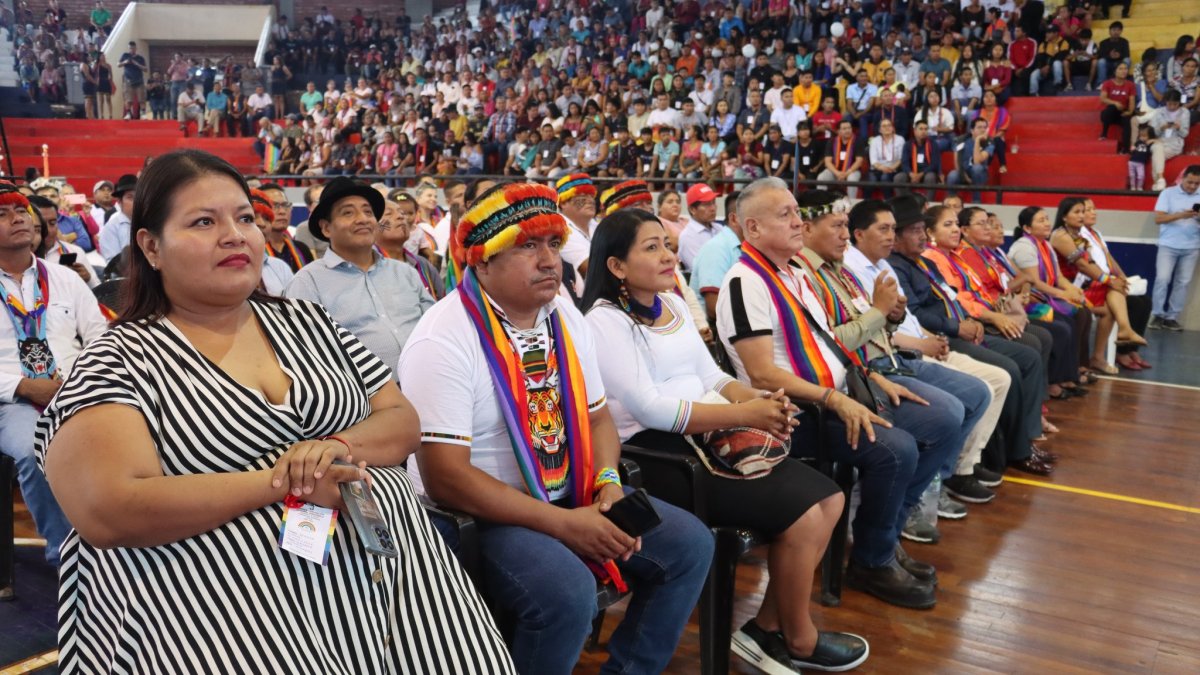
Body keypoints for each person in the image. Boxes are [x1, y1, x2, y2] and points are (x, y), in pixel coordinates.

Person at [36, 150, 513, 672]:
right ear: (150, 246)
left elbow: (401, 419)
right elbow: (110, 508)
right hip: (220, 605)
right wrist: (286, 481)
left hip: (390, 579)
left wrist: (336, 448)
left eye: (244, 218)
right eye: (203, 222)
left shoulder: (309, 322)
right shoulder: (121, 357)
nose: (235, 235)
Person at [398, 182, 713, 673]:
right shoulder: (443, 338)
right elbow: (447, 479)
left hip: (575, 487)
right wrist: (566, 525)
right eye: (528, 246)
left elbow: (598, 417)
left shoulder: (562, 311)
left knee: (691, 544)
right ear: (482, 261)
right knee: (566, 592)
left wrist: (608, 483)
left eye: (553, 244)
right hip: (482, 514)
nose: (550, 261)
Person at [581, 208, 869, 673]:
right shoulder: (605, 321)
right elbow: (652, 408)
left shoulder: (671, 302)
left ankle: (767, 628)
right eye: (650, 247)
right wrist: (744, 413)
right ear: (616, 266)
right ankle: (797, 636)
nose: (666, 256)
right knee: (802, 515)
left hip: (711, 434)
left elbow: (711, 374)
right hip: (660, 456)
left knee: (830, 500)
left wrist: (759, 400)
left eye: (667, 245)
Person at [716, 178, 941, 610]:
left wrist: (870, 380)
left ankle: (886, 540)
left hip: (833, 395)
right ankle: (872, 561)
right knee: (895, 450)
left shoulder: (795, 274)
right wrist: (834, 399)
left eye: (797, 212)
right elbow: (762, 375)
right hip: (793, 415)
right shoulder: (745, 282)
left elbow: (828, 345)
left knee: (939, 419)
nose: (799, 221)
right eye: (785, 215)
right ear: (753, 228)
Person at [795, 193, 988, 543]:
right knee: (937, 421)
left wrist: (889, 316)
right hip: (848, 382)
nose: (844, 234)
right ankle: (884, 531)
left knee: (965, 402)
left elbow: (866, 327)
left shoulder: (837, 269)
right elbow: (827, 344)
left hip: (872, 368)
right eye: (838, 226)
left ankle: (897, 517)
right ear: (807, 229)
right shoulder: (803, 275)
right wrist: (880, 313)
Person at [888, 197, 1054, 477]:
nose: (923, 236)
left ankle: (1017, 442)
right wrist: (959, 325)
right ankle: (1001, 454)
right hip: (941, 336)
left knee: (1032, 348)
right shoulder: (903, 265)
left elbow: (953, 297)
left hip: (959, 326)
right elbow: (915, 314)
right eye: (947, 224)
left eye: (923, 230)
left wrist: (970, 320)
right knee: (1012, 365)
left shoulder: (923, 263)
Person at [1, 183, 105, 569]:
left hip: (76, 389)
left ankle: (121, 538)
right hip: (12, 401)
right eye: (3, 214)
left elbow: (99, 335)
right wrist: (24, 385)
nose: (18, 219)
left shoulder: (65, 279)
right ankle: (67, 556)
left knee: (132, 430)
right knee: (33, 448)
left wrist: (81, 379)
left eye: (21, 211)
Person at [286, 177, 434, 370]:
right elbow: (305, 355)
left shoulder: (405, 272)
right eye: (348, 213)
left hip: (428, 381)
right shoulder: (308, 283)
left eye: (368, 212)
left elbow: (435, 327)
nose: (363, 219)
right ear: (326, 227)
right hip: (360, 394)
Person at [1050, 197, 1149, 372]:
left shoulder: (1079, 236)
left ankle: (1099, 356)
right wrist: (1108, 280)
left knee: (1111, 302)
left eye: (1083, 211)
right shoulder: (1060, 236)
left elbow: (1092, 263)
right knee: (1111, 289)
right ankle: (1122, 331)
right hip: (1063, 289)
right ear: (1064, 216)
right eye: (1077, 212)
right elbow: (1082, 265)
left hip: (1079, 287)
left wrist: (1114, 279)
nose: (1082, 215)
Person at [1150, 165, 1200, 331]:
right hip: (1168, 245)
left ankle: (1172, 317)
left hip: (1192, 246)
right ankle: (1157, 315)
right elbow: (1158, 219)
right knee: (1162, 279)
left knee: (1183, 282)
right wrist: (1182, 215)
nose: (1193, 186)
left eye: (1197, 183)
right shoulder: (1168, 193)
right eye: (1190, 182)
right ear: (1183, 178)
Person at [377, 190, 444, 300]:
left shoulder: (423, 265)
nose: (401, 217)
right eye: (389, 214)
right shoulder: (367, 266)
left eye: (402, 213)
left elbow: (441, 302)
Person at [27, 196, 97, 289]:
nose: (47, 230)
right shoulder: (17, 257)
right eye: (41, 225)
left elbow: (98, 289)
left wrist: (88, 279)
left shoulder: (74, 251)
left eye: (52, 223)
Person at [258, 182, 312, 273]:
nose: (282, 211)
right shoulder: (254, 251)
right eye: (274, 206)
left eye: (285, 205)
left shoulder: (302, 249)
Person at [555, 173, 599, 280]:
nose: (590, 200)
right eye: (582, 195)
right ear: (563, 203)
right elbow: (592, 270)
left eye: (591, 195)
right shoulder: (560, 230)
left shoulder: (596, 225)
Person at [1146, 90, 1190, 191]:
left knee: (1157, 152)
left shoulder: (1185, 112)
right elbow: (1152, 133)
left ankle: (1158, 181)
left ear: (1179, 103)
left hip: (1174, 143)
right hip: (1159, 140)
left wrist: (1179, 128)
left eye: (1175, 104)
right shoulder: (1159, 112)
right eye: (1169, 104)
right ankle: (1160, 180)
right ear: (1165, 102)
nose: (1172, 107)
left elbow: (1185, 134)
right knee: (1157, 147)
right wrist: (1161, 128)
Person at [677, 182, 725, 271]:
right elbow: (702, 270)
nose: (713, 208)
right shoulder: (688, 237)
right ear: (692, 209)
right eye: (707, 204)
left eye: (713, 202)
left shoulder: (719, 228)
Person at [818, 120, 866, 199]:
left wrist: (846, 173)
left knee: (852, 179)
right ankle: (822, 202)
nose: (847, 130)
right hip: (835, 171)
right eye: (844, 129)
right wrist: (837, 173)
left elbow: (859, 161)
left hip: (852, 170)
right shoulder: (832, 141)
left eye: (849, 128)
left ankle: (852, 204)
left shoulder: (858, 141)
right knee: (821, 177)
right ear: (838, 131)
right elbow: (827, 162)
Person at [97, 173, 136, 262]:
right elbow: (114, 266)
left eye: (139, 196)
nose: (137, 201)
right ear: (119, 201)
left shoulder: (149, 222)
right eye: (130, 197)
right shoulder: (111, 228)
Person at [1098, 62, 1136, 154]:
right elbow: (1103, 98)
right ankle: (1104, 133)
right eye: (1120, 69)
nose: (1124, 71)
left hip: (1122, 113)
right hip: (1109, 114)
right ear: (1115, 71)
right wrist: (1115, 103)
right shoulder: (1107, 83)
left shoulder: (1130, 85)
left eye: (1125, 69)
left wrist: (1130, 112)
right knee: (1112, 108)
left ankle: (1126, 149)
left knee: (1127, 120)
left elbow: (1132, 100)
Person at [118, 41, 148, 120]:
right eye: (130, 48)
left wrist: (137, 64)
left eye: (133, 48)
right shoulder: (125, 55)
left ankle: (143, 113)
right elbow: (118, 64)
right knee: (128, 99)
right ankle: (128, 113)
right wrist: (125, 62)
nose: (131, 50)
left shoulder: (140, 58)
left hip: (139, 80)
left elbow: (145, 69)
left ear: (136, 48)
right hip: (128, 80)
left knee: (141, 98)